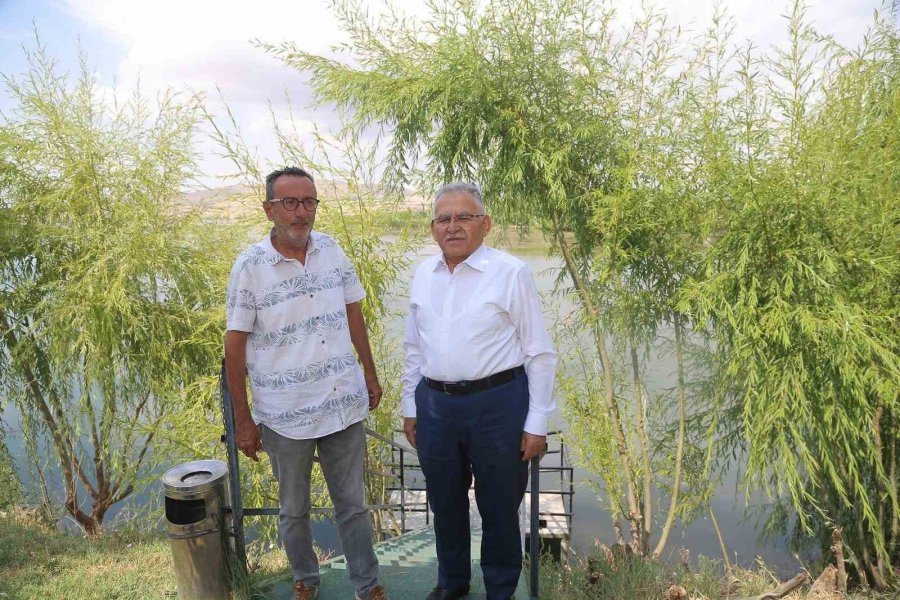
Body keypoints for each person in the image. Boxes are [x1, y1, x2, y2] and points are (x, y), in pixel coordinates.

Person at [224, 167, 389, 600]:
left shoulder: (332, 250)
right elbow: (235, 346)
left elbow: (355, 313)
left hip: (342, 404)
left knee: (352, 504)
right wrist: (243, 420)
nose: (301, 212)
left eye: (309, 202)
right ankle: (305, 579)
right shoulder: (250, 267)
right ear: (269, 209)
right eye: (290, 203)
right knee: (293, 510)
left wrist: (369, 372)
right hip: (286, 414)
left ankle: (366, 584)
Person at [401, 182, 557, 600]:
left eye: (464, 217)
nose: (453, 226)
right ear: (433, 228)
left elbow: (539, 352)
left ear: (485, 224)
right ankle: (452, 585)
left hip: (498, 405)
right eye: (444, 219)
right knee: (446, 505)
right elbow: (413, 348)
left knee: (499, 507)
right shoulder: (422, 275)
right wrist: (409, 406)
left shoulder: (510, 273)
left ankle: (500, 590)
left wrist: (537, 422)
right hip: (434, 406)